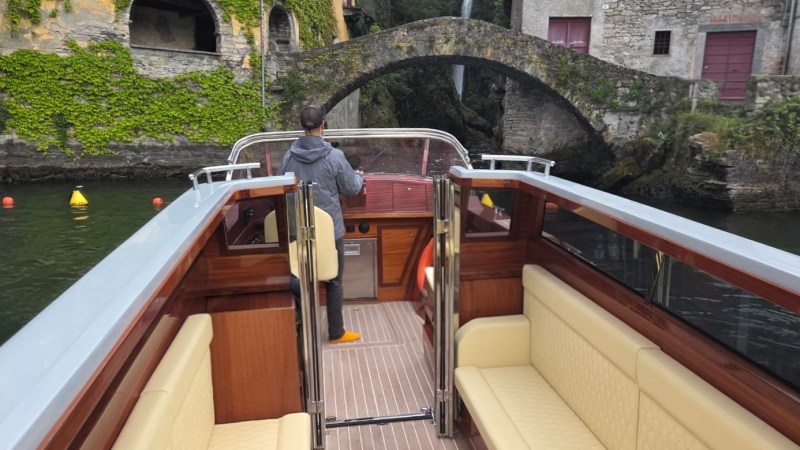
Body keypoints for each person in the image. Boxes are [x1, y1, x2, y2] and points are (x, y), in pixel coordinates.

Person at [278, 106, 365, 343]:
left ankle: (302, 329)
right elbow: (352, 188)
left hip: (298, 231)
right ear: (323, 125)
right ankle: (336, 332)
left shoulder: (288, 157)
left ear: (301, 126)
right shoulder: (335, 157)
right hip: (330, 231)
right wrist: (360, 175)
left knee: (299, 276)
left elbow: (280, 188)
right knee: (334, 279)